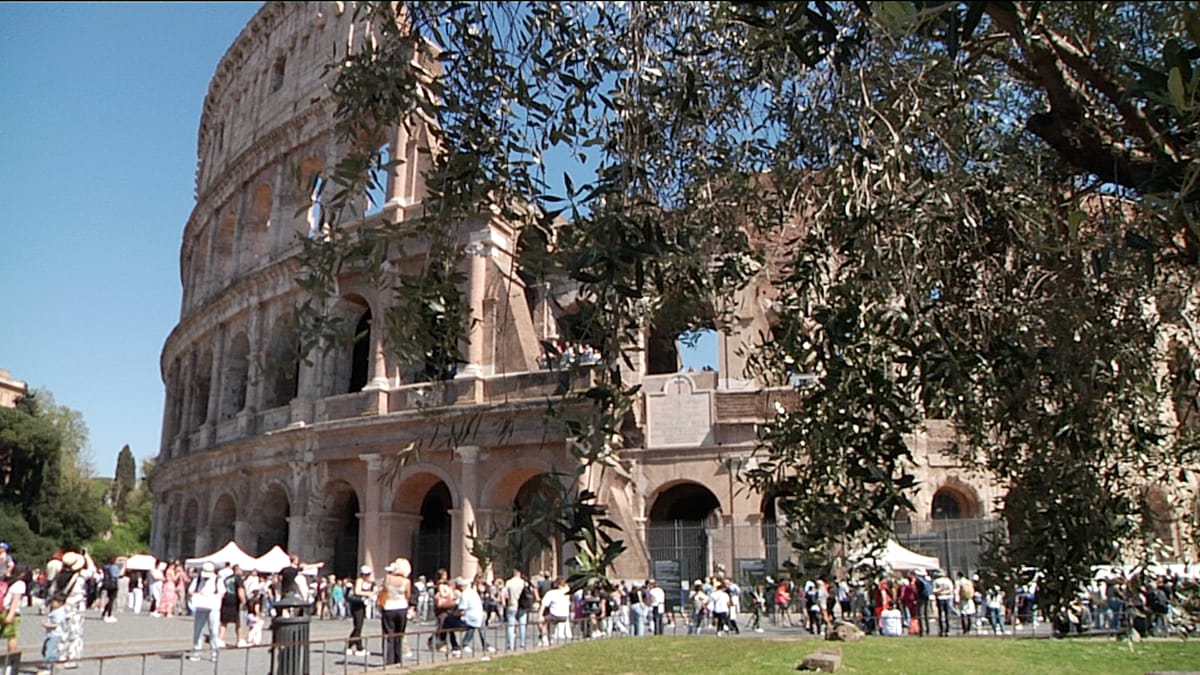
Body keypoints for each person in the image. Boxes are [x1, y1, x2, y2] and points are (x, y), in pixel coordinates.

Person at [379, 558, 413, 665]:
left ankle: (389, 660)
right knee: (399, 634)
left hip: (389, 607)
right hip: (402, 607)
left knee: (389, 635)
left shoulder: (388, 578)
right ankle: (398, 659)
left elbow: (383, 591)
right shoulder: (406, 581)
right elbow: (408, 595)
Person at [188, 561, 224, 660]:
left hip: (213, 607)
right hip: (200, 606)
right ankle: (196, 652)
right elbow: (190, 590)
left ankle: (214, 653)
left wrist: (214, 596)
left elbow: (222, 592)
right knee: (198, 630)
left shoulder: (217, 579)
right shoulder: (198, 578)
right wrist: (197, 595)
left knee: (214, 631)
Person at [346, 566, 373, 656]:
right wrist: (368, 593)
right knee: (358, 626)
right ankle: (356, 646)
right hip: (356, 604)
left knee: (358, 626)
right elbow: (357, 592)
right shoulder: (360, 581)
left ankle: (354, 646)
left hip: (362, 604)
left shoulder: (367, 582)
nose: (368, 576)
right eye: (366, 574)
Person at [218, 564, 247, 647]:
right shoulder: (238, 579)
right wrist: (244, 602)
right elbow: (240, 590)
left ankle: (220, 639)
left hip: (226, 600)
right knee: (239, 621)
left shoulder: (227, 579)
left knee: (224, 622)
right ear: (237, 570)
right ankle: (239, 640)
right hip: (235, 601)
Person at [503, 568, 532, 650]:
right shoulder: (523, 583)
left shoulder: (509, 582)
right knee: (522, 625)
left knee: (511, 626)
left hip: (512, 605)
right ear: (519, 573)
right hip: (522, 606)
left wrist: (504, 603)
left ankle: (511, 645)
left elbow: (504, 594)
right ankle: (522, 643)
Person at [2, 562, 27, 656]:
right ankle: (11, 657)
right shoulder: (20, 584)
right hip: (11, 612)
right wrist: (11, 614)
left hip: (2, 609)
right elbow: (15, 601)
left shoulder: (7, 580)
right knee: (12, 636)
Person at [932, 569, 954, 636]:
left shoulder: (936, 581)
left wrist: (940, 591)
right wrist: (945, 592)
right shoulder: (948, 581)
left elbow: (934, 590)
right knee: (947, 614)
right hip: (947, 597)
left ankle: (941, 630)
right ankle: (947, 630)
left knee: (940, 615)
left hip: (940, 598)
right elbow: (951, 589)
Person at [100, 557, 120, 623]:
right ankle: (108, 614)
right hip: (113, 584)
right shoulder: (114, 567)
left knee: (109, 599)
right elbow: (117, 575)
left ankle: (104, 613)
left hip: (107, 584)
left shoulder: (105, 567)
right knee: (111, 600)